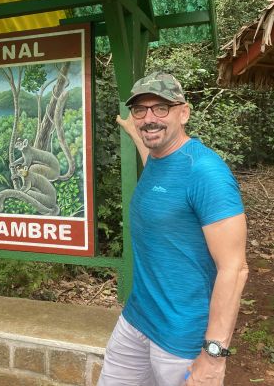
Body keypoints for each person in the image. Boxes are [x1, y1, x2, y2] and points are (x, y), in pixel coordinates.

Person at [98, 72, 248, 386]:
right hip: (137, 319)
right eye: (140, 110)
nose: (149, 118)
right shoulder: (156, 159)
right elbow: (152, 152)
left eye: (160, 109)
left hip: (181, 336)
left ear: (184, 112)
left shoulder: (205, 173)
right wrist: (132, 130)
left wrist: (213, 354)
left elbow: (235, 269)